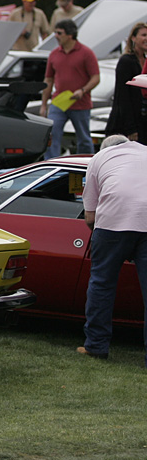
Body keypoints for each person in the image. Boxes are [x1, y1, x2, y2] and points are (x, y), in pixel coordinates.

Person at [78, 134, 147, 365]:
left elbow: (90, 217)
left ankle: (96, 346)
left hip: (112, 224)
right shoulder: (144, 151)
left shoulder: (99, 158)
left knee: (101, 284)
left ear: (105, 147)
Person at [39, 19, 100, 158]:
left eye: (59, 33)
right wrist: (44, 104)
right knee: (51, 134)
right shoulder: (54, 54)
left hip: (80, 103)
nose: (56, 35)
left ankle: (86, 166)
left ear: (70, 35)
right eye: (55, 32)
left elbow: (96, 77)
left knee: (83, 137)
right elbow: (48, 79)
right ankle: (51, 166)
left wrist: (83, 90)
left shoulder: (86, 53)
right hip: (59, 102)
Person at [104, 22, 147, 141]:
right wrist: (131, 129)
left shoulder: (145, 61)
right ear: (133, 38)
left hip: (143, 123)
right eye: (143, 35)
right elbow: (123, 97)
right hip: (125, 126)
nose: (146, 39)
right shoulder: (126, 61)